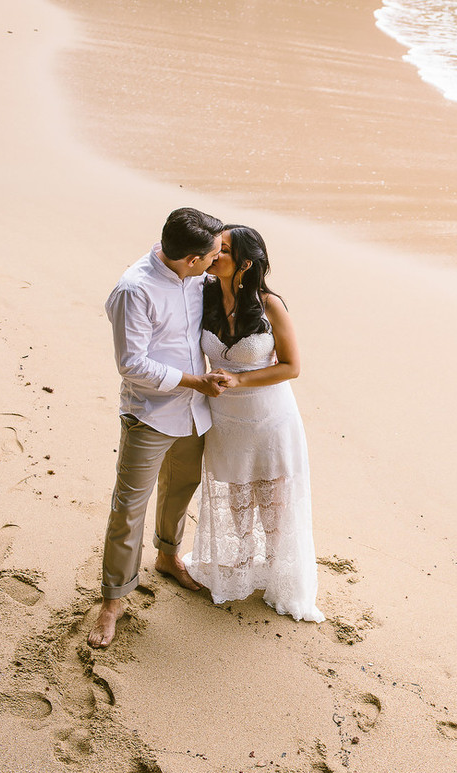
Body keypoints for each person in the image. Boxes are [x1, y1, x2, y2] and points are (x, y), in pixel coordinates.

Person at [88, 208, 228, 648]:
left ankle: (168, 555)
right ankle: (112, 600)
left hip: (194, 413)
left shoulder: (197, 279)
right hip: (149, 414)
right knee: (128, 509)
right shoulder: (135, 289)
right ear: (191, 259)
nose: (215, 261)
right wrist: (195, 381)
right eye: (212, 256)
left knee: (182, 486)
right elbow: (131, 364)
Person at [182, 225, 324, 622]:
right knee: (236, 492)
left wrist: (240, 379)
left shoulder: (269, 305)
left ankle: (280, 575)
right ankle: (243, 566)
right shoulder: (203, 294)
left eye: (222, 249)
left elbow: (292, 366)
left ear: (244, 263)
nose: (214, 253)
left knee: (271, 499)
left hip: (268, 418)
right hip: (224, 418)